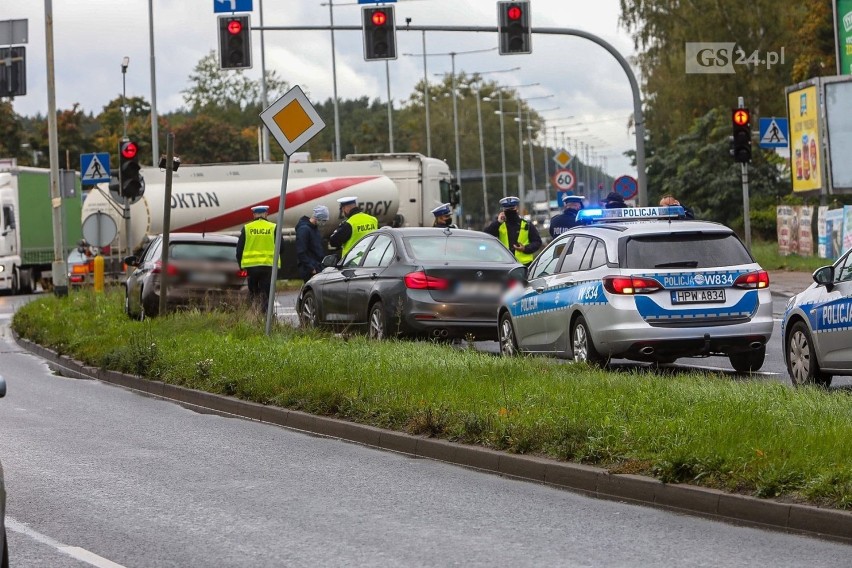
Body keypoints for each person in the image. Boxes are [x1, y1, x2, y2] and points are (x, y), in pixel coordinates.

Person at [236, 205, 278, 311]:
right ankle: (266, 317)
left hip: (251, 267)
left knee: (254, 293)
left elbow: (239, 250)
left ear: (254, 215)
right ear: (266, 214)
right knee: (267, 294)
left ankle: (254, 316)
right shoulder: (273, 227)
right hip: (268, 266)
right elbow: (281, 247)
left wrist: (241, 266)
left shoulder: (247, 228)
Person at [483, 196, 542, 266]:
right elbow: (486, 235)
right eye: (507, 209)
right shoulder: (499, 225)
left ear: (516, 209)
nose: (510, 212)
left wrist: (525, 248)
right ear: (503, 211)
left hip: (524, 265)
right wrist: (498, 222)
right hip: (504, 264)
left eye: (512, 208)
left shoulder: (527, 225)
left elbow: (537, 242)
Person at [296, 205, 330, 282]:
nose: (324, 223)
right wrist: (311, 268)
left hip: (316, 267)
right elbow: (301, 251)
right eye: (323, 220)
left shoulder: (313, 229)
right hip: (310, 270)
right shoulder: (304, 230)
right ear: (318, 218)